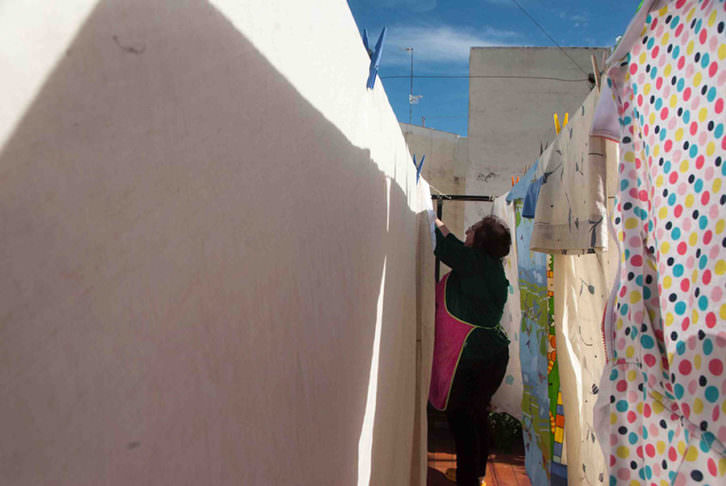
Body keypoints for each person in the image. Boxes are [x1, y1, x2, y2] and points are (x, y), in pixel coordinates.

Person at [429, 215, 511, 486]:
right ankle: (476, 474)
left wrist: (430, 213)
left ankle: (468, 481)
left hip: (476, 359)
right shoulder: (491, 268)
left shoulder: (474, 264)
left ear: (480, 241)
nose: (467, 230)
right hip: (492, 358)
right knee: (476, 414)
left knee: (461, 418)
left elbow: (445, 243)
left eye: (473, 229)